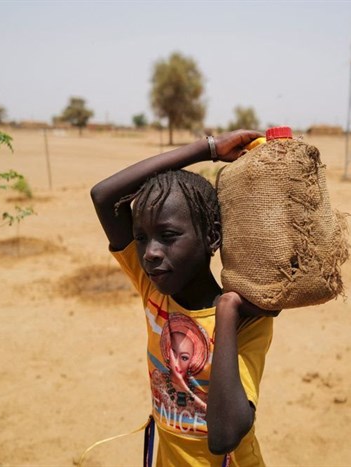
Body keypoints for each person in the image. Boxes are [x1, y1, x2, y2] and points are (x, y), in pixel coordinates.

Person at [90, 130, 279, 466]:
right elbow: (104, 196)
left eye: (168, 236)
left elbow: (223, 436)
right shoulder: (155, 288)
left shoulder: (247, 321)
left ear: (211, 236)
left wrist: (226, 309)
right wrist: (208, 149)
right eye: (141, 238)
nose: (149, 253)